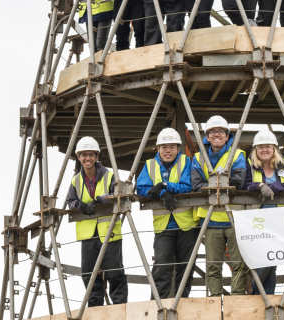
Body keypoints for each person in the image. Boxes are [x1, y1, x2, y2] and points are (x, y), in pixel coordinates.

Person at [136, 127, 198, 299]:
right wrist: (164, 193)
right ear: (158, 148)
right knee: (162, 266)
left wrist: (164, 186)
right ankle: (158, 304)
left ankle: (182, 302)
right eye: (164, 147)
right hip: (163, 226)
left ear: (178, 148)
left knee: (185, 268)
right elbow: (142, 188)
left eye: (172, 147)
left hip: (186, 225)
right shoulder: (150, 165)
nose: (168, 151)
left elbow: (188, 186)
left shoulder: (186, 162)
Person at [66, 136, 128, 307]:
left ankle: (120, 307)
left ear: (96, 156)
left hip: (109, 231)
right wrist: (80, 206)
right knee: (89, 274)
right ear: (79, 157)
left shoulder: (109, 176)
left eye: (91, 155)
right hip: (88, 235)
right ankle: (94, 308)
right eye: (84, 155)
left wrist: (100, 200)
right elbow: (71, 201)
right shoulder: (76, 180)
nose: (87, 158)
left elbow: (117, 195)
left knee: (114, 272)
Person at [191, 115, 247, 295]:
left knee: (238, 264)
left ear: (227, 135)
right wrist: (221, 183)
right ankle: (215, 299)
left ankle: (237, 298)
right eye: (212, 132)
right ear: (207, 137)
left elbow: (238, 181)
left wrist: (211, 184)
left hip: (233, 219)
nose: (216, 135)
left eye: (220, 132)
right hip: (210, 221)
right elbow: (196, 184)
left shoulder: (237, 154)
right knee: (213, 266)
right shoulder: (198, 157)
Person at [244, 128, 284, 293]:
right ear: (256, 149)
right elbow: (243, 184)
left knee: (273, 260)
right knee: (263, 260)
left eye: (268, 146)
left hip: (281, 221)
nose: (264, 150)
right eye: (261, 147)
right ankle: (259, 294)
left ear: (274, 149)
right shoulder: (250, 166)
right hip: (258, 222)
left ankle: (264, 295)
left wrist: (274, 187)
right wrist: (259, 185)